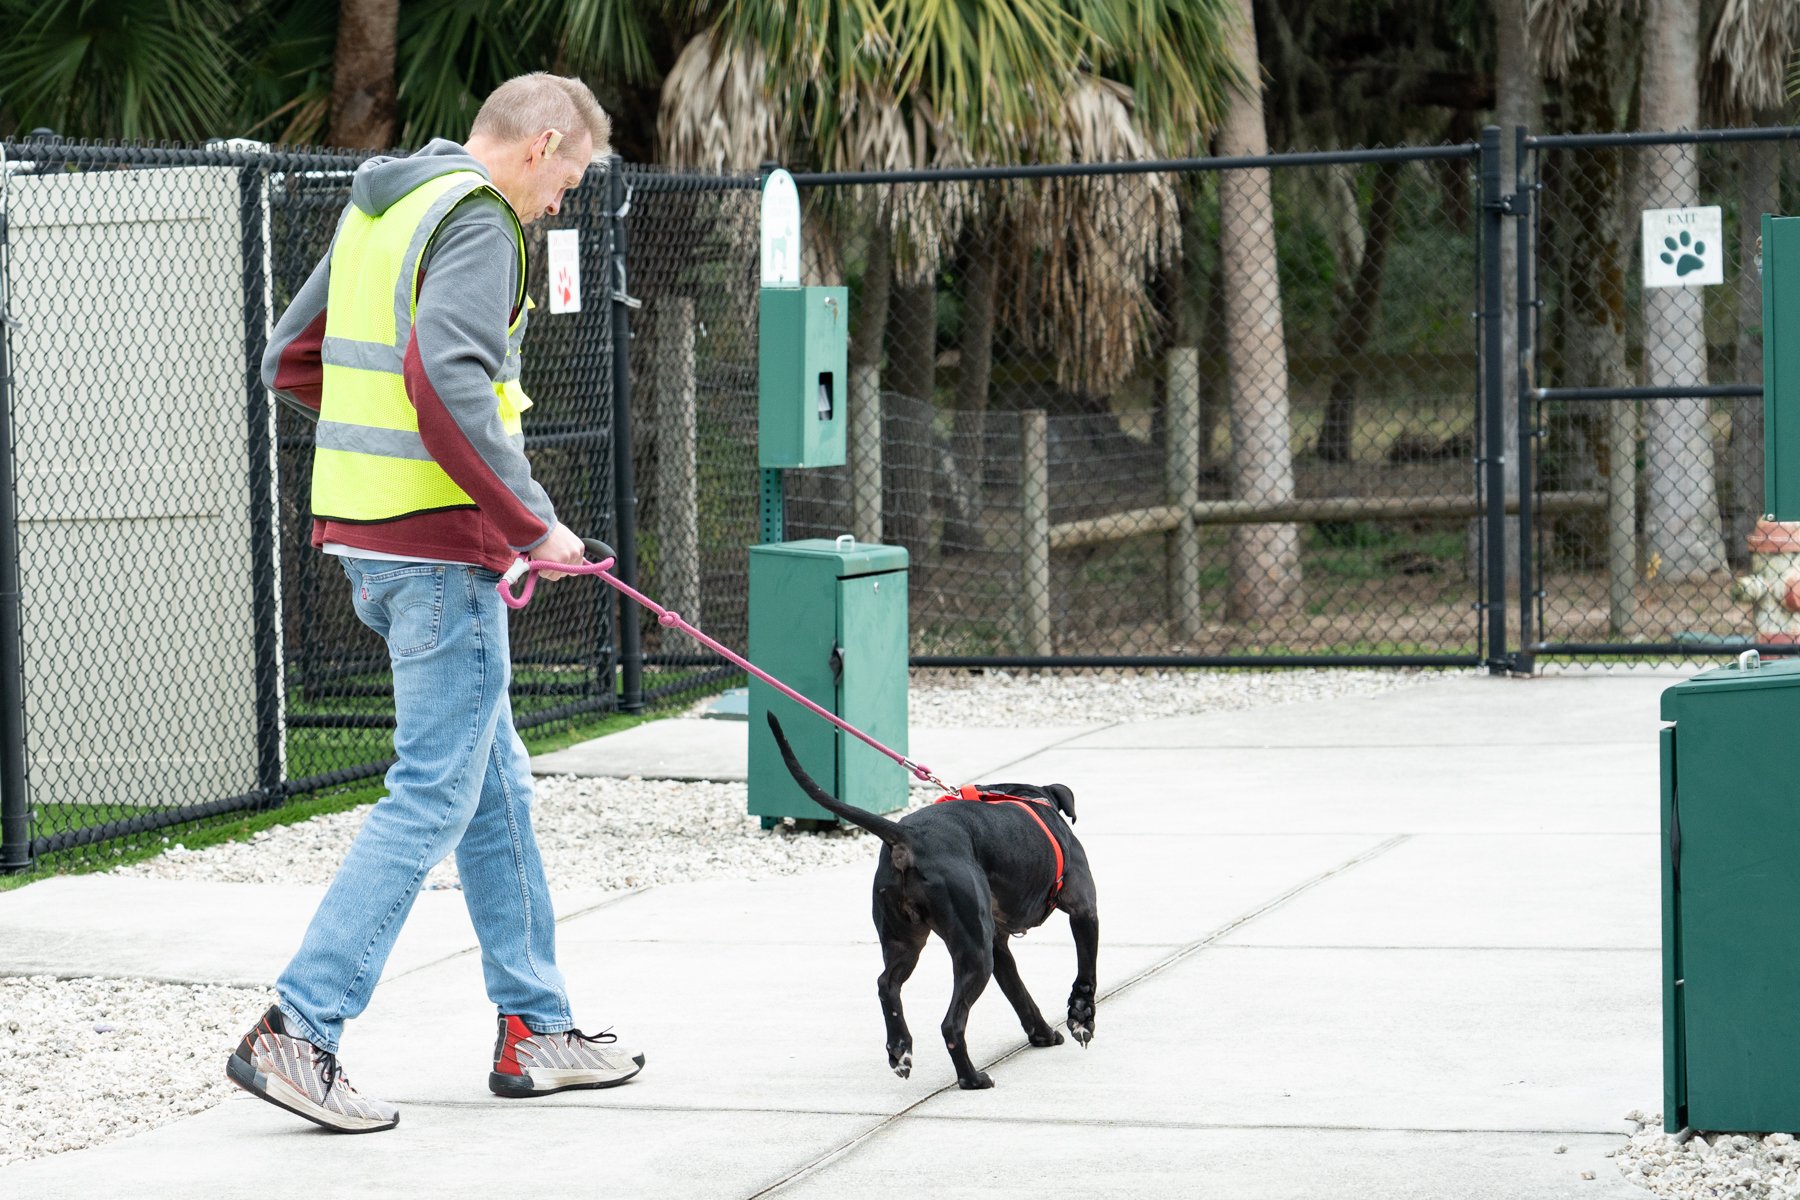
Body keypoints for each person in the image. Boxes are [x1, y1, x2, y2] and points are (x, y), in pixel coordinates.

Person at [227, 73, 642, 1134]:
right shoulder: (480, 220)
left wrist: (417, 448)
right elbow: (450, 377)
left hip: (369, 543)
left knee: (491, 785)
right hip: (441, 553)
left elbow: (291, 357)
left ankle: (535, 1027)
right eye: (571, 180)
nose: (561, 206)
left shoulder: (382, 208)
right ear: (542, 145)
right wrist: (530, 525)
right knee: (432, 794)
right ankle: (300, 1028)